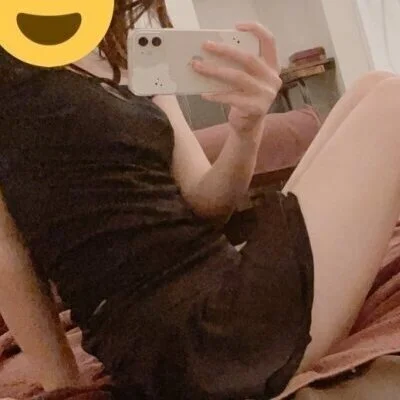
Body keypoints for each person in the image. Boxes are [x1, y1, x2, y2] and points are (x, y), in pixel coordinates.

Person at [0, 1, 400, 399]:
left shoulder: (127, 58)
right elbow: (7, 252)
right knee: (392, 101)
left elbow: (207, 203)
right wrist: (63, 387)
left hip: (222, 284)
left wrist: (247, 128)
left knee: (374, 84)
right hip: (188, 341)